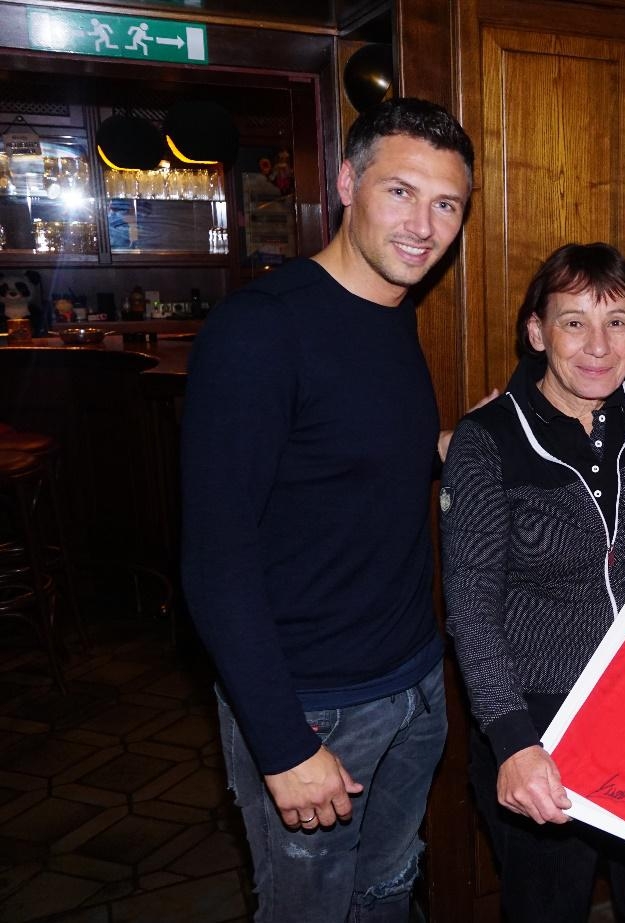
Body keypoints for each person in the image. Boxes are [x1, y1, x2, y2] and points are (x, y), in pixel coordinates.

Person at [181, 97, 474, 921]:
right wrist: (282, 745)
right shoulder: (260, 330)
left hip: (414, 680)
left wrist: (463, 445)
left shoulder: (394, 312)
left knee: (387, 891)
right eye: (400, 192)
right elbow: (214, 558)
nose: (423, 225)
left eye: (446, 204)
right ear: (347, 183)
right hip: (313, 707)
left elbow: (345, 455)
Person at [440, 243, 625, 923]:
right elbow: (470, 606)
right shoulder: (488, 439)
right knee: (546, 906)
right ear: (537, 332)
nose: (597, 345)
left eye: (615, 322)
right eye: (573, 322)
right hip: (542, 715)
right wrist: (513, 741)